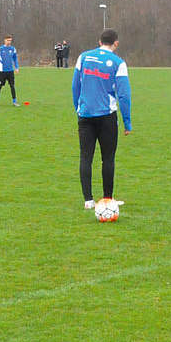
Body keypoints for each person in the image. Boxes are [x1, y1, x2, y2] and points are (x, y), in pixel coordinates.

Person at [72, 29, 132, 209]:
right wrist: (127, 121)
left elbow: (76, 85)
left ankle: (88, 200)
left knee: (85, 157)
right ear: (116, 43)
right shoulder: (118, 63)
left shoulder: (83, 57)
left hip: (85, 115)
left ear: (99, 41)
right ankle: (107, 199)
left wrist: (78, 108)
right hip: (107, 116)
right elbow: (124, 95)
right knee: (108, 158)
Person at [0, 35, 19, 106]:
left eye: (10, 40)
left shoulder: (13, 49)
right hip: (2, 72)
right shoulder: (0, 49)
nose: (9, 42)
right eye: (8, 40)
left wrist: (17, 67)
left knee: (12, 86)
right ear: (4, 40)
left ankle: (14, 102)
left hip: (10, 71)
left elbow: (15, 59)